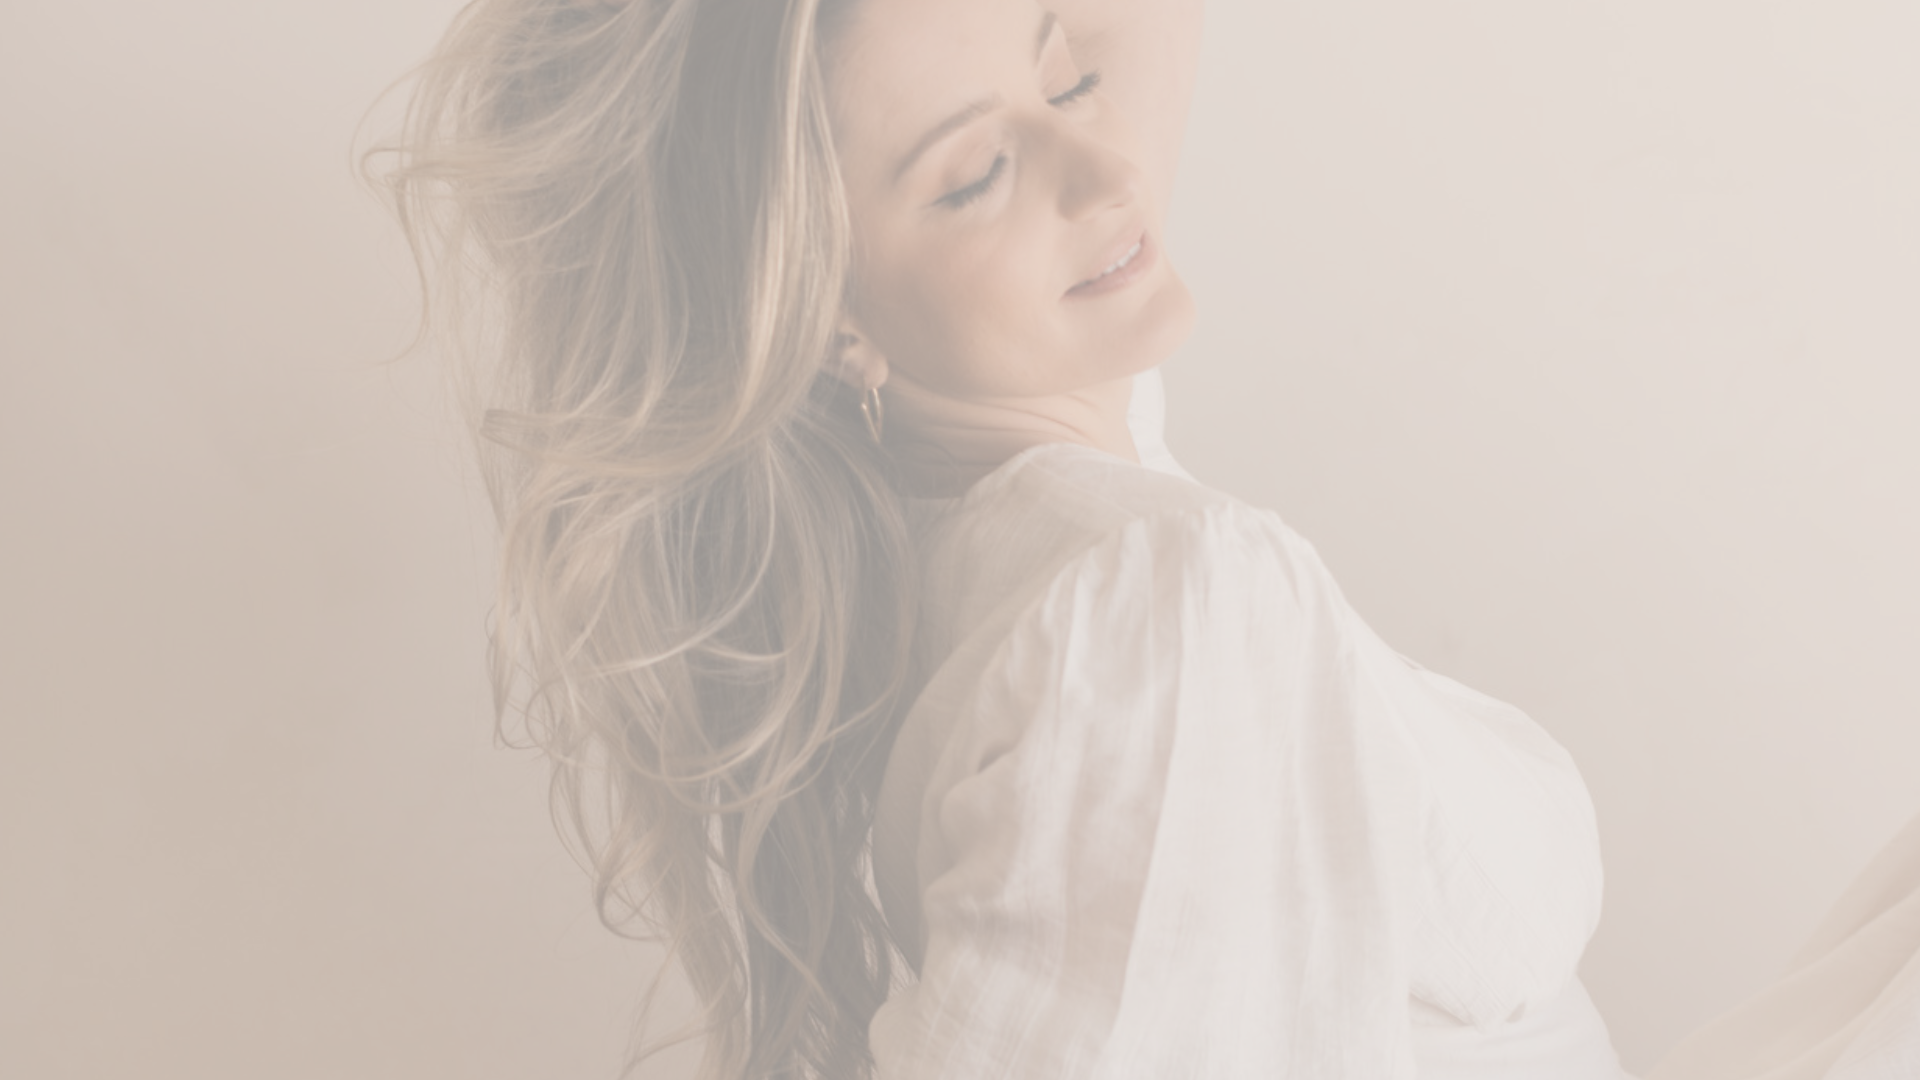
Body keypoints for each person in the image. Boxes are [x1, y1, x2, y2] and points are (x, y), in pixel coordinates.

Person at [374, 0, 1920, 1076]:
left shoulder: (1017, 536)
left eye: (1065, 82)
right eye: (978, 175)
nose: (1106, 172)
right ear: (825, 318)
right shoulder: (1143, 611)